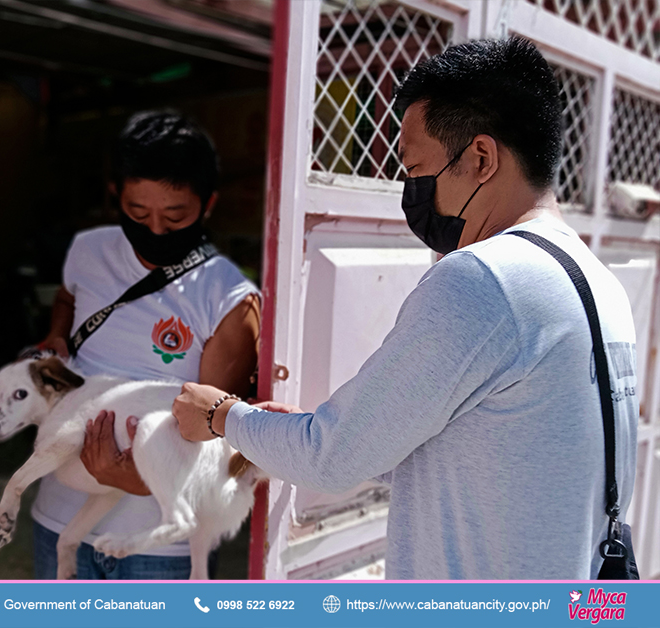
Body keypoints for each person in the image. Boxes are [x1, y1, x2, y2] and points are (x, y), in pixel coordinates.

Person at [172, 38, 639, 579]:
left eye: (416, 169)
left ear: (481, 159)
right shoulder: (596, 284)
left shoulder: (484, 280)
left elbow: (333, 458)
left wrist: (221, 415)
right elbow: (502, 458)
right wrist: (278, 432)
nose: (410, 191)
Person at [33, 111, 261, 580]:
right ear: (116, 195)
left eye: (175, 215)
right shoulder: (89, 250)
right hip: (59, 520)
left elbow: (217, 431)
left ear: (208, 203)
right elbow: (67, 297)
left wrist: (133, 480)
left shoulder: (230, 298)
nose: (155, 229)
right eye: (138, 213)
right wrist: (57, 336)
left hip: (159, 546)